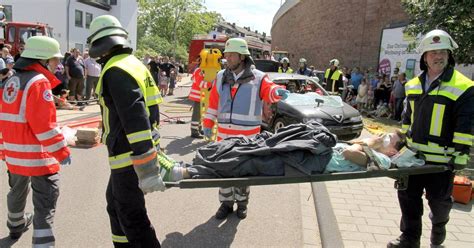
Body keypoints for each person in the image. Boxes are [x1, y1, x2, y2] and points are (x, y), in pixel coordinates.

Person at [388, 30, 474, 248]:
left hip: (442, 161)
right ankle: (409, 238)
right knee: (407, 199)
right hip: (413, 156)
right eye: (433, 52)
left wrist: (461, 155)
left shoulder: (464, 86)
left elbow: (465, 126)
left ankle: (438, 236)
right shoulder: (413, 84)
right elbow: (408, 118)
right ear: (424, 57)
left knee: (439, 204)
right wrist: (401, 143)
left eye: (443, 51)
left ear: (449, 55)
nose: (439, 56)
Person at [87, 15, 167, 247]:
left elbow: (135, 120)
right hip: (133, 154)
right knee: (115, 204)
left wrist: (147, 166)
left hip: (129, 156)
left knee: (132, 217)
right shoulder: (133, 64)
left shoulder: (116, 70)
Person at [202, 37, 289, 220]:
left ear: (242, 57)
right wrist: (208, 124)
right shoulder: (220, 76)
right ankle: (226, 204)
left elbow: (269, 90)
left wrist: (277, 92)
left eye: (232, 55)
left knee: (243, 172)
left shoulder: (258, 77)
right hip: (224, 138)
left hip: (247, 138)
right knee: (224, 172)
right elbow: (213, 104)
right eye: (227, 55)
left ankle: (242, 204)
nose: (228, 58)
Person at [0, 36, 71, 246]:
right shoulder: (39, 82)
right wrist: (62, 151)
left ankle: (15, 225)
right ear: (42, 60)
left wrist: (4, 151)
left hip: (14, 154)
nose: (58, 64)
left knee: (17, 190)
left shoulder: (9, 80)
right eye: (54, 60)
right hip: (37, 157)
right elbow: (45, 126)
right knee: (45, 204)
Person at [188, 62, 204, 138]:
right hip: (198, 97)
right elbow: (200, 83)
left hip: (202, 97)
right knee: (196, 115)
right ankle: (194, 131)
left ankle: (199, 128)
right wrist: (210, 84)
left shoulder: (205, 70)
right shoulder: (199, 70)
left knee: (201, 115)